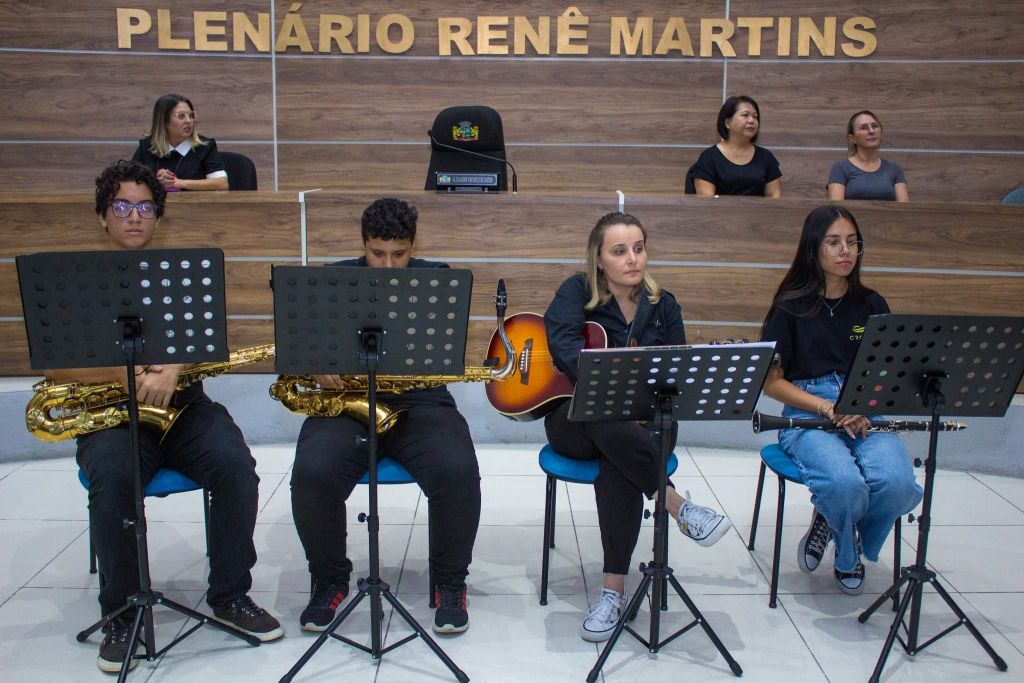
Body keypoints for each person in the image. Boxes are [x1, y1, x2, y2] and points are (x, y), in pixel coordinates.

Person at [48, 161, 281, 673]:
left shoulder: (182, 275)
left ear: (158, 216)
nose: (134, 217)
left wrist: (173, 365)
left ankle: (230, 595)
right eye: (122, 206)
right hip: (112, 413)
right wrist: (123, 374)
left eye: (145, 207)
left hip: (184, 407)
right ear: (102, 216)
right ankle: (122, 613)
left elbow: (207, 340)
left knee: (236, 468)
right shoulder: (74, 283)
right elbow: (56, 363)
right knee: (112, 479)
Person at [290, 197, 480, 635]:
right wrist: (317, 363)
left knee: (457, 471)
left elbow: (446, 352)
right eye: (378, 254)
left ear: (414, 245)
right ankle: (329, 580)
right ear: (363, 246)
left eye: (400, 253)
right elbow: (302, 343)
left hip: (421, 401)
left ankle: (449, 583)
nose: (390, 265)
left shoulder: (436, 279)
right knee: (313, 473)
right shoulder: (334, 280)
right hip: (347, 402)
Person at [544, 212, 731, 642]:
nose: (632, 259)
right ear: (598, 258)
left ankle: (613, 593)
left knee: (619, 461)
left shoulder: (664, 305)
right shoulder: (576, 292)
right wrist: (612, 387)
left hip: (647, 423)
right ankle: (676, 503)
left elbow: (676, 373)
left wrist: (640, 400)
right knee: (604, 417)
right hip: (577, 419)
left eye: (639, 248)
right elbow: (564, 347)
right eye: (619, 251)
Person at [759, 205, 923, 595]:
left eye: (852, 242)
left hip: (865, 408)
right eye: (833, 242)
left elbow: (888, 373)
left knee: (898, 483)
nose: (844, 251)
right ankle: (848, 554)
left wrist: (861, 404)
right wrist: (828, 408)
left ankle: (836, 523)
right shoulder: (789, 307)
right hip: (808, 409)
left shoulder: (873, 305)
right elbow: (771, 383)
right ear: (813, 248)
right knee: (844, 484)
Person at [131, 94, 229, 191]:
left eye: (191, 115)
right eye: (181, 116)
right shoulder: (147, 146)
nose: (188, 121)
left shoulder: (205, 146)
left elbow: (221, 184)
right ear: (164, 121)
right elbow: (129, 181)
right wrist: (155, 181)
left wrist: (179, 183)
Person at [691, 95, 782, 197]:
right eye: (745, 115)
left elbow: (774, 197)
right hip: (720, 208)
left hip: (758, 208)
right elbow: (706, 201)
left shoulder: (766, 157)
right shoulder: (709, 157)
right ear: (727, 123)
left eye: (755, 116)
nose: (751, 120)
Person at [826, 110, 909, 201]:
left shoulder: (894, 169)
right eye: (864, 128)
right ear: (852, 138)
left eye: (875, 126)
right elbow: (836, 206)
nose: (871, 131)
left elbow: (904, 207)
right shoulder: (841, 167)